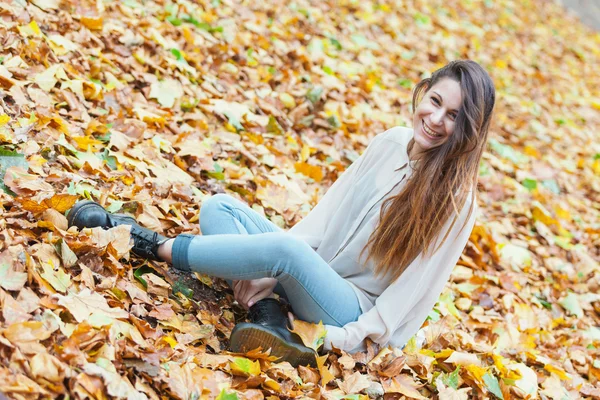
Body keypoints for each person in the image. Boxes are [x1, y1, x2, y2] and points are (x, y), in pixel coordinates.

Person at [67, 60, 495, 367]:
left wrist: (336, 338)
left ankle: (143, 240)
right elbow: (323, 221)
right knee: (221, 207)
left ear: (470, 128)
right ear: (424, 90)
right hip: (309, 274)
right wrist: (276, 270)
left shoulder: (456, 203)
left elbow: (407, 301)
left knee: (284, 252)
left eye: (453, 116)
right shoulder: (390, 142)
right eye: (434, 100)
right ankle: (270, 315)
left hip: (348, 311)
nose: (435, 119)